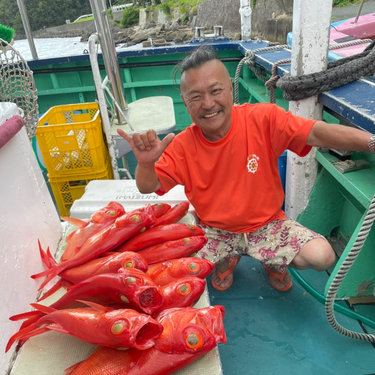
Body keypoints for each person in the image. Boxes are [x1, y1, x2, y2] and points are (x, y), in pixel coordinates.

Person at [117, 45, 374, 292]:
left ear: (230, 88)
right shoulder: (182, 144)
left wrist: (371, 141)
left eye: (215, 91)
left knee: (322, 256)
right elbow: (148, 185)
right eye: (196, 96)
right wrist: (146, 162)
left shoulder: (263, 118)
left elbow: (316, 133)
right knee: (174, 266)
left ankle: (274, 262)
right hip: (214, 230)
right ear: (185, 103)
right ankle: (226, 260)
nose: (208, 104)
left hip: (267, 225)